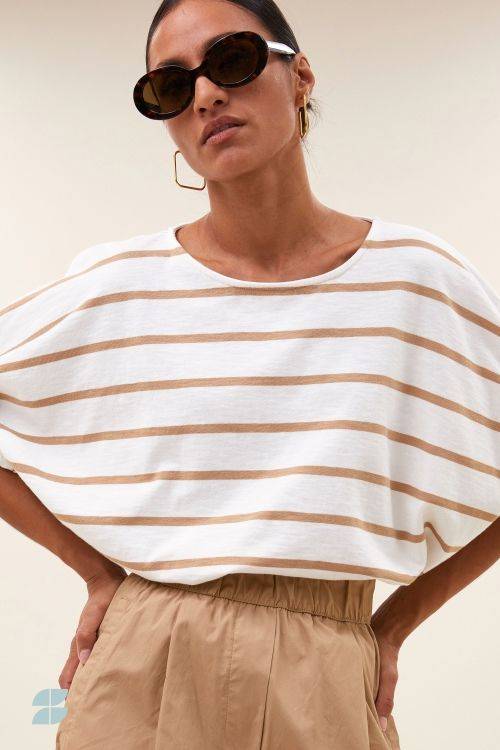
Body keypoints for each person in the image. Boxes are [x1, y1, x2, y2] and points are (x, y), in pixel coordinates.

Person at [0, 1, 498, 748]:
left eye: (231, 60)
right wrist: (98, 575)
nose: (205, 95)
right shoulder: (120, 283)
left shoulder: (417, 280)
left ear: (300, 77)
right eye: (170, 86)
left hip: (326, 665)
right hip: (143, 655)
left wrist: (395, 623)